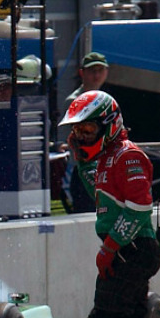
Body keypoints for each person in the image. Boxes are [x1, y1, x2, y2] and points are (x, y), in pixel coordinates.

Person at [59, 91, 160, 318]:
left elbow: (138, 209)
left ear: (110, 125)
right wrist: (81, 160)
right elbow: (100, 189)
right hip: (126, 248)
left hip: (133, 249)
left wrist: (109, 248)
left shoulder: (128, 156)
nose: (81, 137)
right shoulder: (105, 159)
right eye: (77, 131)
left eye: (88, 130)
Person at [60, 53, 111, 214]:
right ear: (82, 73)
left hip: (105, 171)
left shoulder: (107, 100)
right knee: (86, 217)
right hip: (84, 171)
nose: (96, 75)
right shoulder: (75, 101)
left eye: (100, 70)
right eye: (92, 71)